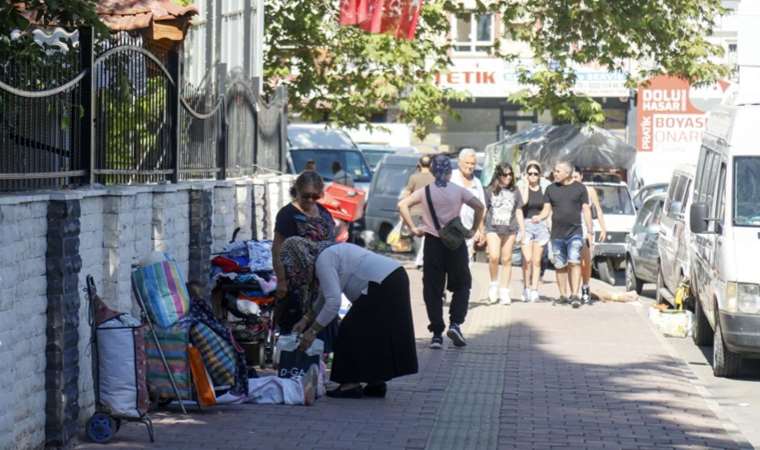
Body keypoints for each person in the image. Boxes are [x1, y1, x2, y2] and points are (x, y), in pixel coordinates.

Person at [281, 237, 418, 399]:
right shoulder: (328, 253)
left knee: (349, 330)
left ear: (299, 257)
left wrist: (312, 332)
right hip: (393, 276)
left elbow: (333, 302)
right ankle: (376, 381)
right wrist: (306, 319)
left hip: (382, 283)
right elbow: (325, 296)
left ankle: (349, 384)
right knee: (374, 332)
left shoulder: (323, 261)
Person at [398, 155, 485, 349]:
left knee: (432, 289)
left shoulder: (425, 192)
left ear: (432, 171)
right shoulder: (459, 191)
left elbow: (402, 205)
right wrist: (473, 229)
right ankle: (455, 324)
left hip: (432, 244)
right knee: (462, 284)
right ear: (448, 171)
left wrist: (413, 227)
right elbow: (480, 206)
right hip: (456, 243)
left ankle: (436, 333)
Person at [272, 171, 339, 346]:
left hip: (323, 280)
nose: (310, 200)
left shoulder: (324, 213)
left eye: (315, 196)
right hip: (297, 285)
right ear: (297, 191)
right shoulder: (288, 214)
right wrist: (281, 280)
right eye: (306, 196)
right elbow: (277, 248)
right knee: (295, 331)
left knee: (322, 332)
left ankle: (320, 368)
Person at [532, 161, 593, 308]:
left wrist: (590, 229)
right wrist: (539, 217)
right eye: (554, 170)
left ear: (567, 173)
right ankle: (563, 295)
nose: (555, 173)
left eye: (558, 171)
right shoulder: (550, 189)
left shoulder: (580, 188)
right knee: (560, 265)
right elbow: (546, 210)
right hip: (557, 234)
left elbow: (586, 209)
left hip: (575, 232)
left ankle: (575, 295)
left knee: (574, 261)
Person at [483, 162, 526, 305]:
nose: (508, 177)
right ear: (498, 175)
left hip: (510, 228)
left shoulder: (515, 190)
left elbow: (519, 210)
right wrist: (479, 228)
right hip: (493, 227)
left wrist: (523, 229)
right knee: (494, 257)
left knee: (507, 259)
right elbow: (484, 209)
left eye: (510, 174)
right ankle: (493, 284)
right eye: (505, 174)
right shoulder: (489, 190)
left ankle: (504, 290)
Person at [517, 161, 551, 303]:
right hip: (525, 224)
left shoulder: (544, 188)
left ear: (539, 175)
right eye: (530, 173)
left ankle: (534, 290)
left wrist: (541, 217)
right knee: (527, 259)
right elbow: (522, 204)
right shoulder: (521, 187)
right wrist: (525, 184)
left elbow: (547, 208)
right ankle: (526, 288)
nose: (532, 176)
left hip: (540, 225)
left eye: (535, 174)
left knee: (537, 261)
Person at [572, 167, 607, 304]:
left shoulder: (589, 190)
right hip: (572, 229)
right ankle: (573, 291)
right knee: (574, 262)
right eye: (572, 177)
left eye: (576, 177)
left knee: (586, 262)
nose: (574, 180)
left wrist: (603, 228)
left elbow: (598, 209)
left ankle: (585, 287)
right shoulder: (567, 190)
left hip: (587, 229)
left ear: (581, 176)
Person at [451, 148, 486, 262]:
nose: (470, 166)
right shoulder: (450, 177)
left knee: (466, 265)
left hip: (469, 230)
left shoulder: (477, 182)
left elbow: (481, 208)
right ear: (459, 162)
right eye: (467, 163)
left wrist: (480, 230)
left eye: (473, 164)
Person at [402, 155, 434, 268]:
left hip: (415, 211)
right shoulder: (434, 178)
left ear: (419, 164)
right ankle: (424, 260)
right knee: (428, 237)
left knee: (417, 236)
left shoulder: (413, 178)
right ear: (431, 165)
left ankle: (420, 261)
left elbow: (407, 194)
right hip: (430, 213)